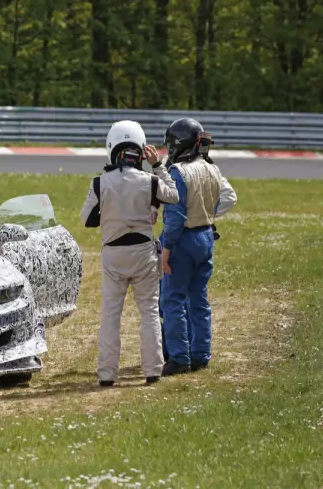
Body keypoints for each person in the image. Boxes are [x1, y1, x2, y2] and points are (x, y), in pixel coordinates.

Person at [80, 120, 180, 387]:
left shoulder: (100, 183)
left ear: (112, 148)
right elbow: (173, 196)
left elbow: (86, 219)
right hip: (144, 254)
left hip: (114, 255)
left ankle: (106, 374)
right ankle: (153, 370)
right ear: (140, 149)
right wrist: (158, 165)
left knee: (110, 316)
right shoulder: (150, 180)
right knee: (148, 312)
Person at [158, 118, 237, 376]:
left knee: (172, 300)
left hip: (183, 240)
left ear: (179, 144)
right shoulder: (212, 168)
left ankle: (179, 357)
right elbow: (225, 198)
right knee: (199, 299)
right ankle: (201, 355)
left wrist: (166, 248)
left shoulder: (178, 172)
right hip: (206, 237)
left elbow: (176, 216)